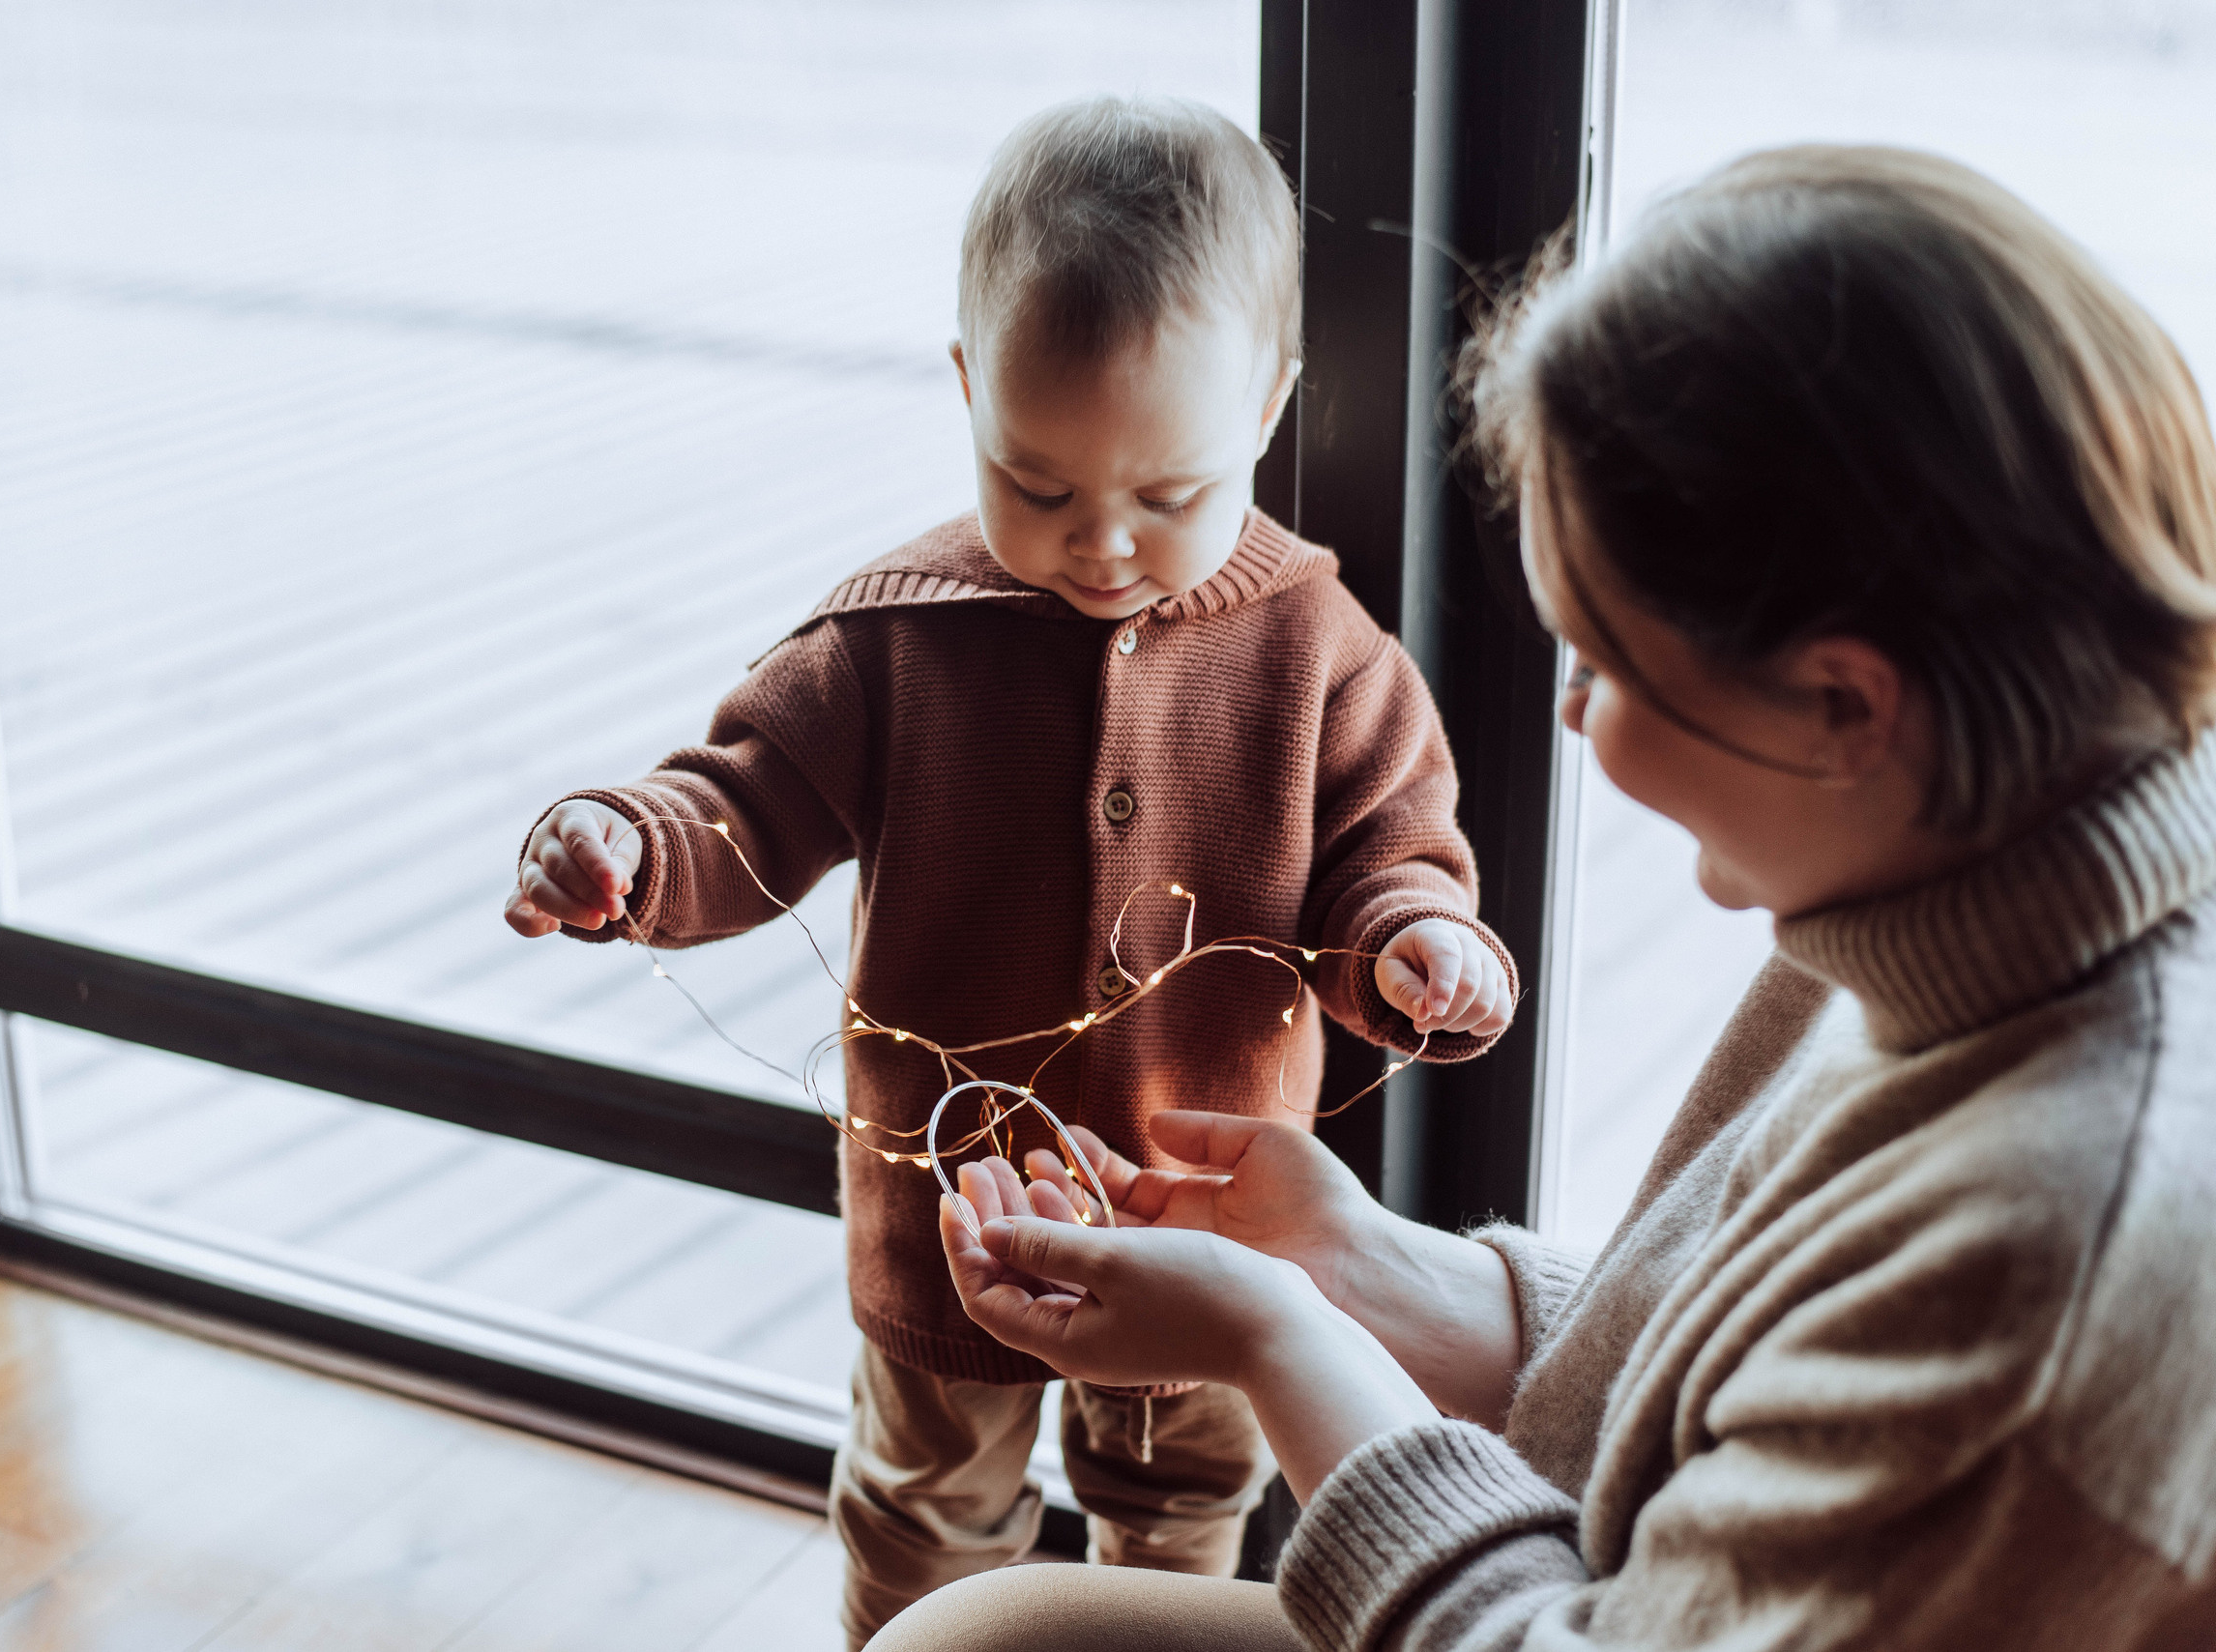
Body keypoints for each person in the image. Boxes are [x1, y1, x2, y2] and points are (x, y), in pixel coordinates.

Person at [886, 144, 2216, 1650]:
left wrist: (1275, 1337)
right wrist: (1363, 1263)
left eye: (1605, 662)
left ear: (1847, 705)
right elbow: (1762, 1358)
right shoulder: (1954, 895)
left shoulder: (2065, 1254)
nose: (1573, 719)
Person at [503, 97, 1518, 1645]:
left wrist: (1415, 941)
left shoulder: (1321, 653)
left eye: (1167, 496)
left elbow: (1391, 851)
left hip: (1199, 1214)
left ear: (1268, 405)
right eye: (1035, 483)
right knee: (927, 1506)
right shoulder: (896, 638)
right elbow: (747, 799)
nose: (1102, 541)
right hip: (948, 1209)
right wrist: (630, 845)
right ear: (969, 389)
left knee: (1180, 1510)